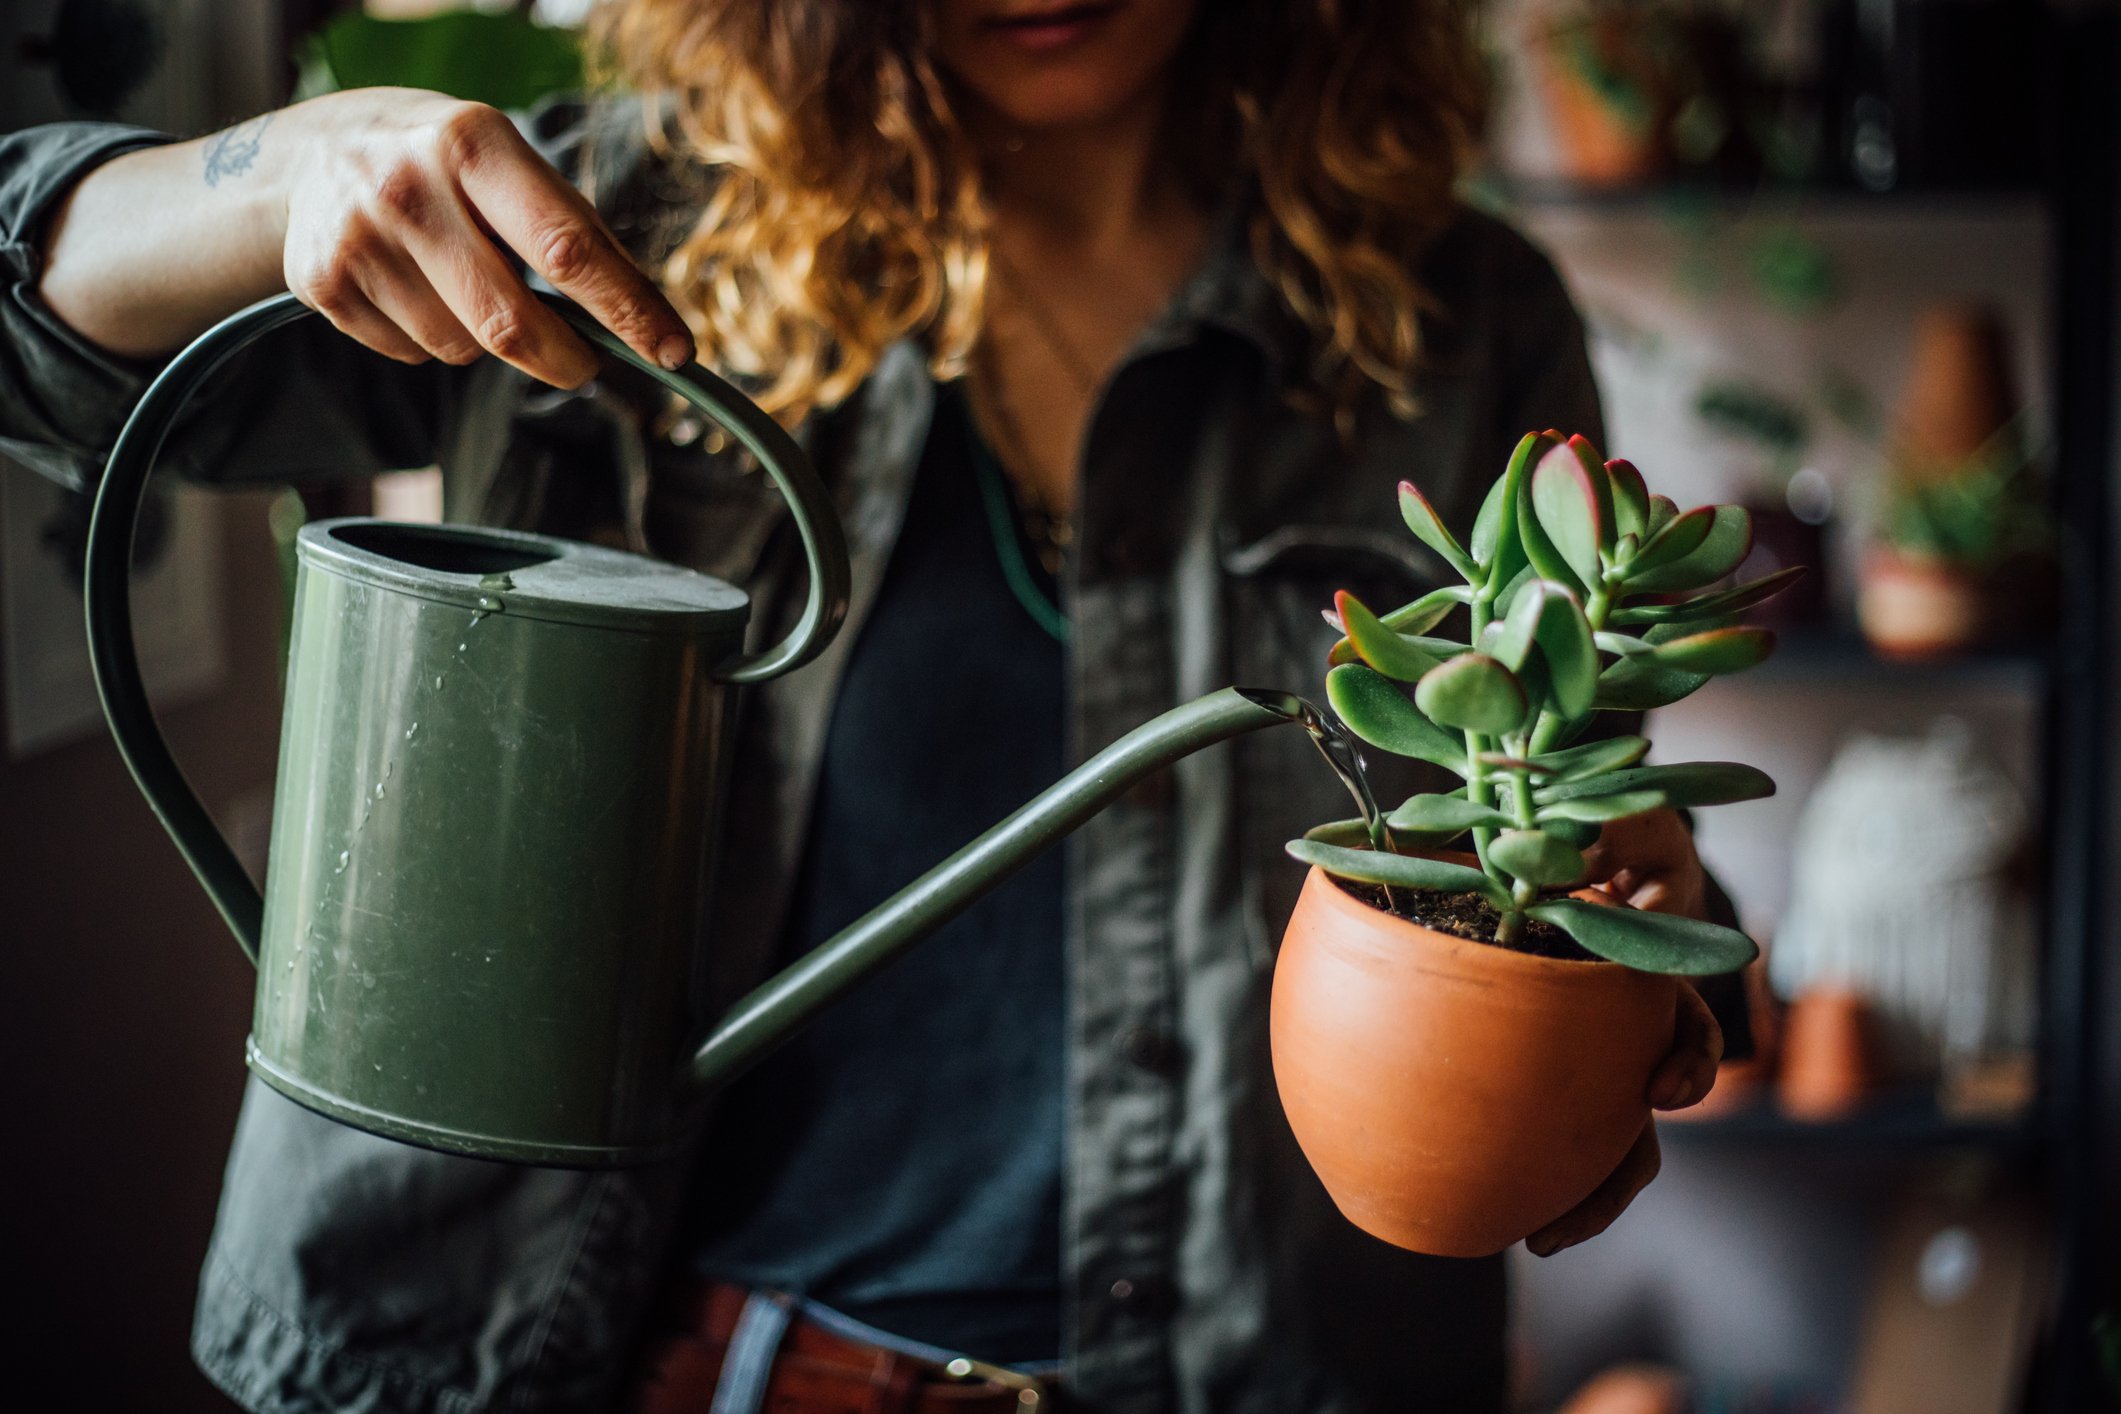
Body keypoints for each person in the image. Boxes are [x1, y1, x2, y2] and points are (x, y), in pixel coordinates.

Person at [0, 2, 1742, 1409]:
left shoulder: (1459, 323)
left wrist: (1633, 950)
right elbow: (33, 327)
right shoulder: (582, 240)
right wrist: (276, 169)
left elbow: (1594, 828)